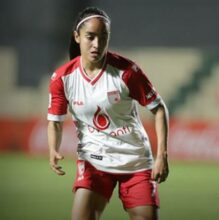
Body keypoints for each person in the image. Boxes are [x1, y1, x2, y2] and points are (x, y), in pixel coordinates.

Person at [47, 7, 169, 220]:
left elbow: (159, 109)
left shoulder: (127, 72)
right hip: (94, 162)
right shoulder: (62, 78)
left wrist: (162, 156)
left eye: (103, 37)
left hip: (135, 162)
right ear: (77, 37)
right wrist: (53, 149)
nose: (97, 44)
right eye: (90, 37)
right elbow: (55, 121)